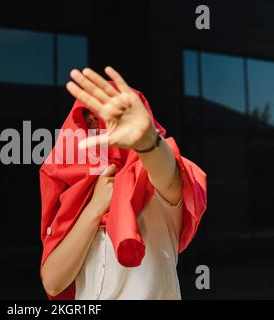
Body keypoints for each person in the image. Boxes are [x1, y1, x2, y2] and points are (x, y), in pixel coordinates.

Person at [39, 66, 207, 300]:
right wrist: (95, 208)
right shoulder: (75, 199)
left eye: (106, 119)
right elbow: (53, 283)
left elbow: (167, 173)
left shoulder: (154, 182)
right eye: (89, 122)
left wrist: (146, 139)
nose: (97, 129)